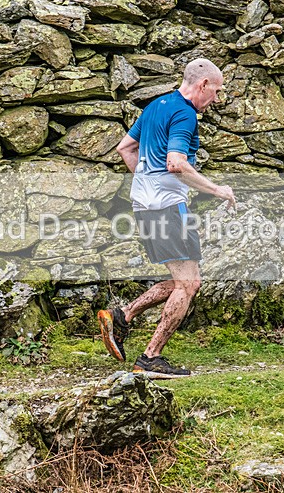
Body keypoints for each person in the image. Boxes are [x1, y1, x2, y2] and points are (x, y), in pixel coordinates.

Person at [97, 58, 237, 379]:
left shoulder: (154, 106)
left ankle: (122, 316)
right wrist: (217, 189)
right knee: (189, 284)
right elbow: (176, 163)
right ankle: (150, 357)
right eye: (215, 92)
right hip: (169, 208)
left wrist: (148, 183)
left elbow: (125, 148)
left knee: (182, 281)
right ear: (202, 85)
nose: (214, 100)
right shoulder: (185, 114)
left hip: (145, 207)